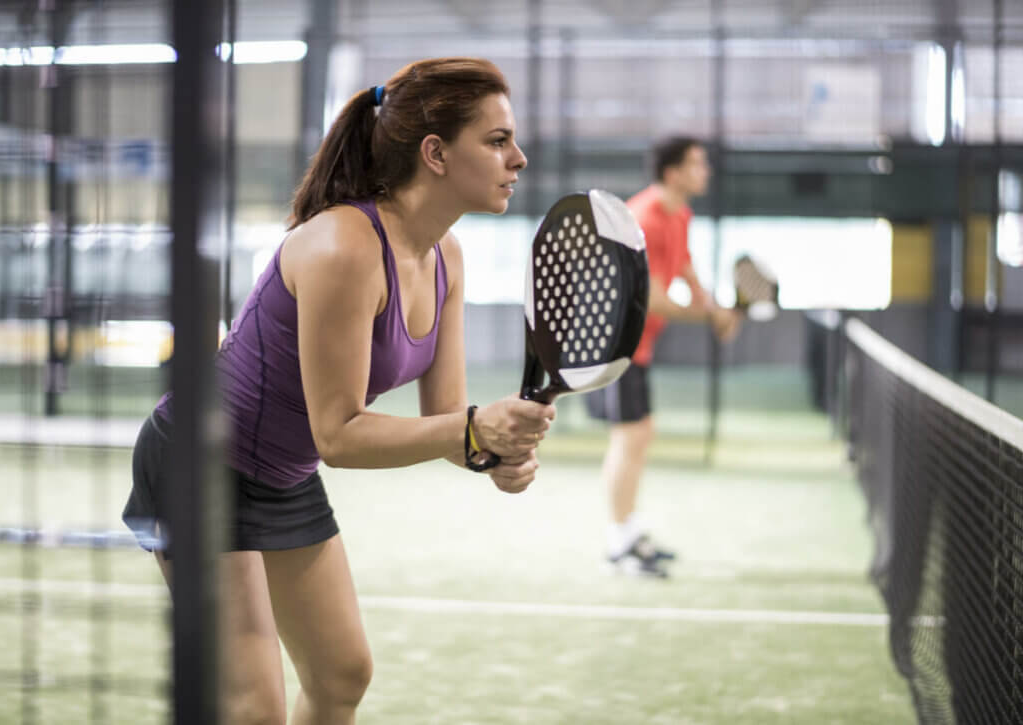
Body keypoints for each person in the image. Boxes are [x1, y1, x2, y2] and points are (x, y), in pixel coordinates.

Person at [123, 57, 556, 725]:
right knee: (252, 704)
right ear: (435, 153)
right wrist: (472, 428)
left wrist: (489, 451)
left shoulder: (447, 256)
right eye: (497, 140)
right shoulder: (343, 247)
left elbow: (444, 418)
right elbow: (341, 435)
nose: (518, 157)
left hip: (281, 473)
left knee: (342, 674)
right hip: (199, 461)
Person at [584, 136, 739, 578]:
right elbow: (650, 296)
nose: (705, 171)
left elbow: (685, 265)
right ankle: (618, 547)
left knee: (639, 434)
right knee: (629, 436)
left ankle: (629, 533)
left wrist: (711, 307)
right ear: (672, 173)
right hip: (611, 340)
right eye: (697, 164)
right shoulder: (644, 217)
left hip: (638, 342)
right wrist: (707, 316)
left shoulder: (680, 213)